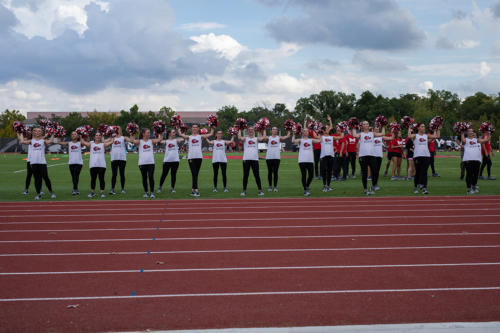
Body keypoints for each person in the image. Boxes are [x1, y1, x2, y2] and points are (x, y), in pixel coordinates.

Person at [17, 128, 56, 200]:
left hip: (42, 162)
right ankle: (38, 194)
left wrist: (53, 133)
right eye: (35, 131)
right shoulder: (31, 141)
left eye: (39, 131)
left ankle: (51, 192)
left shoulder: (43, 140)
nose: (37, 132)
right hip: (33, 162)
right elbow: (22, 141)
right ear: (33, 132)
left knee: (46, 177)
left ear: (41, 133)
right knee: (37, 179)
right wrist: (21, 132)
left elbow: (50, 141)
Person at [177, 124, 214, 196]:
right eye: (193, 127)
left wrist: (212, 127)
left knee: (195, 174)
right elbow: (181, 134)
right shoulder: (189, 137)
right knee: (194, 173)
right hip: (191, 157)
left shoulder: (200, 136)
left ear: (197, 129)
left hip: (199, 157)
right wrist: (178, 127)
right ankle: (196, 190)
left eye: (196, 127)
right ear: (191, 129)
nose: (194, 128)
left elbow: (211, 134)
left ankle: (193, 190)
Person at [350, 121, 386, 195]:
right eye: (364, 124)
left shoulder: (372, 133)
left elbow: (382, 134)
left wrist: (383, 125)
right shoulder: (361, 134)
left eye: (367, 124)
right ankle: (365, 189)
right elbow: (354, 135)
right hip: (363, 156)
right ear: (362, 126)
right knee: (365, 173)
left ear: (369, 125)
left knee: (375, 172)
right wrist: (353, 126)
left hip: (372, 155)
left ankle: (373, 187)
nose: (366, 125)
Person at [129, 128, 164, 198]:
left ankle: (152, 193)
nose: (149, 134)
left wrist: (160, 132)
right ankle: (146, 192)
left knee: (151, 177)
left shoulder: (151, 141)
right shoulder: (139, 141)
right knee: (144, 178)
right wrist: (132, 133)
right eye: (147, 132)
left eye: (149, 132)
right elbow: (132, 140)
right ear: (143, 134)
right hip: (142, 163)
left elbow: (159, 139)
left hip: (151, 162)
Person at [407, 123, 440, 194]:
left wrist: (437, 128)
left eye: (424, 126)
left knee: (424, 173)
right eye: (422, 126)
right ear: (418, 128)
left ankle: (425, 188)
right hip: (417, 156)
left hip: (426, 156)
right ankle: (415, 187)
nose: (424, 128)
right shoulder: (415, 135)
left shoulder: (426, 135)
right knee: (418, 173)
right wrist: (409, 127)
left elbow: (437, 136)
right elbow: (409, 136)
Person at [314, 115, 344, 192]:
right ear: (323, 130)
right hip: (323, 157)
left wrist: (330, 120)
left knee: (330, 172)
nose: (327, 129)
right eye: (325, 128)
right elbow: (314, 135)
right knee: (324, 171)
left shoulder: (331, 137)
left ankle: (328, 186)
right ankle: (324, 186)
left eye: (328, 128)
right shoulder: (321, 137)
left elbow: (341, 137)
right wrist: (314, 128)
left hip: (331, 156)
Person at [81, 131, 112, 198]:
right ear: (94, 137)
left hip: (102, 165)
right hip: (93, 164)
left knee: (101, 179)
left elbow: (112, 141)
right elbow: (83, 142)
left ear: (100, 137)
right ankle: (92, 192)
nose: (98, 136)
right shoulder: (91, 144)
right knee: (93, 179)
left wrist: (112, 134)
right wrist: (81, 134)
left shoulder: (103, 144)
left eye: (99, 135)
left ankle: (102, 192)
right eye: (96, 135)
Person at [292, 129, 322, 196]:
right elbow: (293, 141)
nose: (305, 132)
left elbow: (320, 141)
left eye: (306, 131)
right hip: (302, 160)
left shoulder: (311, 140)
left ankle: (307, 186)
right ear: (302, 133)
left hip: (310, 160)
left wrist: (320, 133)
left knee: (311, 175)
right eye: (304, 131)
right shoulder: (300, 140)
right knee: (304, 175)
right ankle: (305, 190)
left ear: (308, 133)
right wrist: (294, 134)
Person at [261, 126, 290, 192]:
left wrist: (289, 129)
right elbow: (264, 137)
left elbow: (287, 136)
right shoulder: (269, 138)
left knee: (275, 172)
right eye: (273, 129)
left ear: (277, 131)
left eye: (276, 129)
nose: (274, 130)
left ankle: (275, 187)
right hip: (269, 157)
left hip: (277, 157)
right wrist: (264, 129)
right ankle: (270, 186)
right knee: (269, 172)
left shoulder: (278, 137)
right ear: (271, 131)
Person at [461, 128, 490, 194]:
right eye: (469, 131)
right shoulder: (466, 140)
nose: (471, 132)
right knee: (469, 174)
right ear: (467, 133)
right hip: (468, 159)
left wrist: (488, 132)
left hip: (477, 159)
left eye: (472, 131)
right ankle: (469, 189)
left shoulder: (478, 140)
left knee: (476, 174)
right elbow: (462, 140)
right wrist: (462, 133)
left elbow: (486, 140)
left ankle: (474, 186)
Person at [238, 126, 264, 196]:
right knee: (245, 175)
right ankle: (244, 191)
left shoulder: (256, 139)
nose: (251, 131)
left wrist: (260, 130)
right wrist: (240, 129)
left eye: (252, 130)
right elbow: (239, 137)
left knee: (257, 175)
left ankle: (260, 190)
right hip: (246, 159)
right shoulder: (245, 138)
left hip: (255, 159)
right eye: (249, 130)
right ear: (247, 131)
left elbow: (262, 138)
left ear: (254, 131)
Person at [106, 126, 132, 195]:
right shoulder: (112, 138)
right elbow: (104, 142)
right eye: (116, 129)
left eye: (118, 129)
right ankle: (112, 189)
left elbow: (131, 140)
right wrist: (104, 133)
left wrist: (132, 132)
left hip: (122, 158)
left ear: (120, 130)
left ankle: (122, 189)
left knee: (122, 174)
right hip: (114, 158)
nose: (117, 130)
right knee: (114, 174)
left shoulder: (124, 138)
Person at [158, 129, 184, 194]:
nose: (174, 133)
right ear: (169, 133)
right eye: (173, 132)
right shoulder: (166, 141)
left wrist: (180, 132)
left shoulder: (176, 140)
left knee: (173, 175)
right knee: (164, 174)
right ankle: (160, 187)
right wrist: (160, 133)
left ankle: (172, 188)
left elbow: (183, 139)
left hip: (175, 161)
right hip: (167, 161)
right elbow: (160, 141)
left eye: (175, 132)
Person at [22, 130, 34, 195]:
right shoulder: (30, 140)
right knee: (29, 176)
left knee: (38, 176)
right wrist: (19, 132)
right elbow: (22, 140)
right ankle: (26, 190)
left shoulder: (38, 140)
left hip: (37, 161)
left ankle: (40, 190)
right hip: (29, 161)